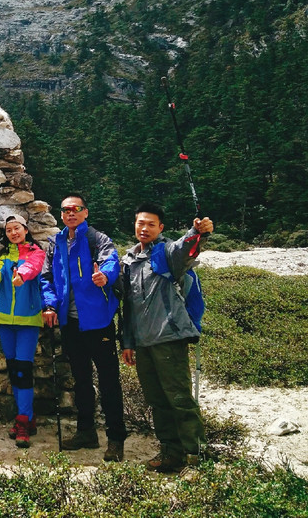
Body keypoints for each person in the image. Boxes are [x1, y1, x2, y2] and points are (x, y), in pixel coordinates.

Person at [121, 202, 213, 473]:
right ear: (134, 225)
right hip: (143, 342)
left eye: (151, 224)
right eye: (141, 223)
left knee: (180, 399)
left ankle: (197, 457)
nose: (144, 228)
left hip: (169, 338)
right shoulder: (129, 261)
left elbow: (186, 249)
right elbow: (129, 307)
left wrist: (197, 232)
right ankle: (170, 452)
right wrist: (127, 342)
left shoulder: (166, 253)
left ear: (160, 228)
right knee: (157, 401)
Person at [40, 193, 127, 462]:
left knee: (109, 381)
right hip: (70, 323)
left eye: (76, 209)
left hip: (98, 322)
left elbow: (112, 261)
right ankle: (86, 432)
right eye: (65, 210)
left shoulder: (96, 239)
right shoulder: (56, 242)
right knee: (81, 381)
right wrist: (50, 305)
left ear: (85, 212)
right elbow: (47, 277)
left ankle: (116, 439)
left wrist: (106, 276)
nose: (70, 213)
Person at [0, 214, 46, 448]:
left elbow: (32, 267)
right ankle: (26, 418)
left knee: (23, 370)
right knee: (14, 370)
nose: (13, 232)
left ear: (26, 229)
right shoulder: (3, 257)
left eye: (16, 228)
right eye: (9, 230)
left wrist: (23, 276)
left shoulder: (36, 253)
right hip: (4, 320)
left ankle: (23, 421)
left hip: (28, 319)